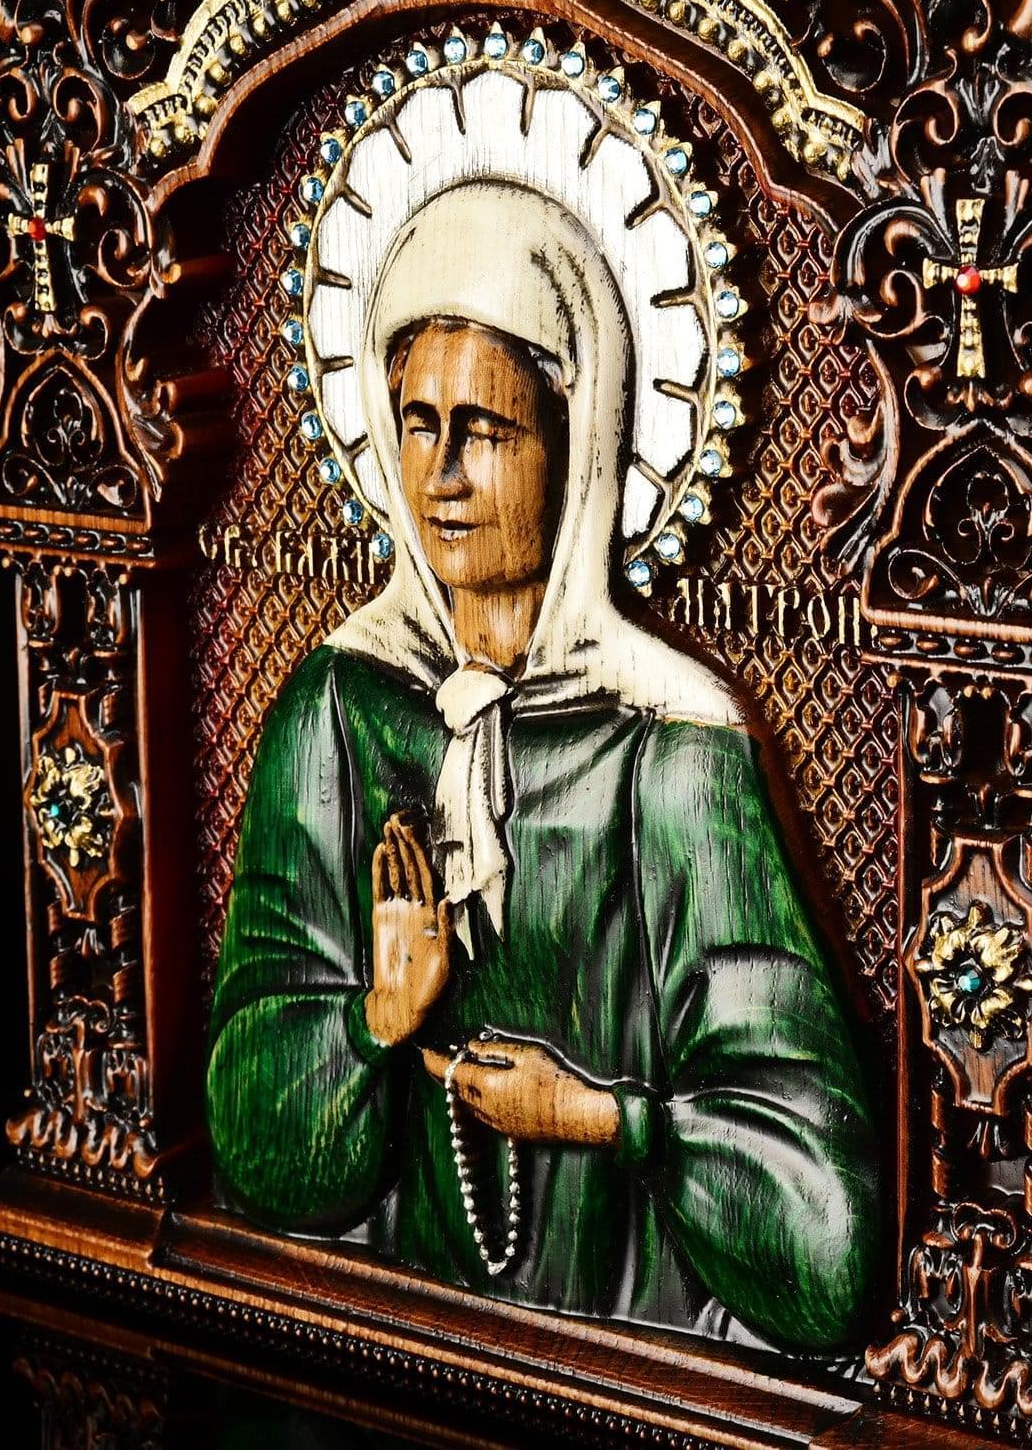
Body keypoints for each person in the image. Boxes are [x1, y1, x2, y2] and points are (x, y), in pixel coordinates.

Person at [205, 183, 878, 1353]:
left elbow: (826, 1244)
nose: (440, 475)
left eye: (487, 429)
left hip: (647, 1382)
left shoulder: (672, 753)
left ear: (579, 443)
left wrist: (607, 1120)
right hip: (379, 1354)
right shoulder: (338, 711)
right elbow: (250, 1144)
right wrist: (374, 1020)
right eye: (417, 422)